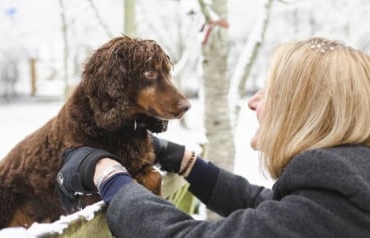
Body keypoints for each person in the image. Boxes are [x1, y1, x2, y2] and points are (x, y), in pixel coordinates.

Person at [57, 37, 370, 237]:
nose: (253, 101)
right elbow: (266, 205)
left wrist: (110, 176)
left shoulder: (333, 209)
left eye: (270, 92)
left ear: (306, 109)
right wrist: (185, 161)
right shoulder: (347, 186)